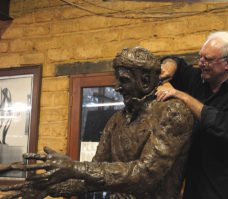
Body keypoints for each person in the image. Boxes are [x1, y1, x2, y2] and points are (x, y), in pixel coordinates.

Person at [0, 47, 194, 199]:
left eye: (124, 80)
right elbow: (93, 177)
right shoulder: (117, 120)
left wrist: (74, 167)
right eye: (117, 79)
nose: (117, 87)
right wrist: (47, 188)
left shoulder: (173, 112)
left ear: (144, 80)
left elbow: (144, 176)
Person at [156, 31, 228, 199]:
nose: (201, 63)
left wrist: (181, 95)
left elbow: (225, 127)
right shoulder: (198, 79)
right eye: (200, 57)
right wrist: (169, 66)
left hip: (227, 190)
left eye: (208, 60)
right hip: (195, 188)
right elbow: (177, 62)